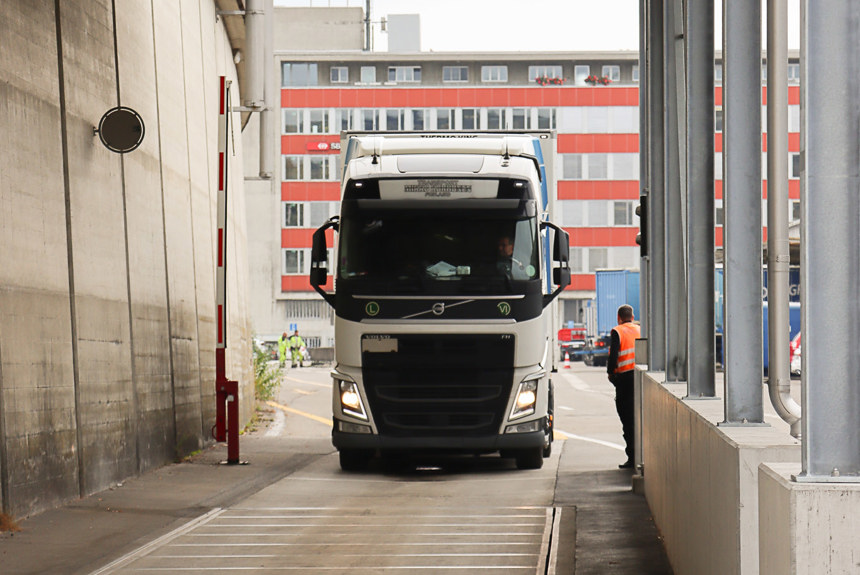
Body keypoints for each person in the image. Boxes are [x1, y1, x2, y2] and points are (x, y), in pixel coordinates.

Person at [607, 304, 640, 469]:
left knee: (627, 419)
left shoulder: (617, 331)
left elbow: (613, 355)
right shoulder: (640, 330)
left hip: (625, 380)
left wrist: (610, 373)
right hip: (640, 379)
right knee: (638, 419)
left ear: (619, 318)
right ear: (632, 317)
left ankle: (632, 456)